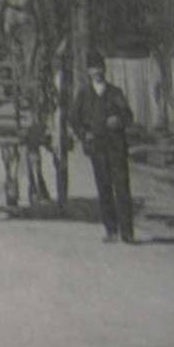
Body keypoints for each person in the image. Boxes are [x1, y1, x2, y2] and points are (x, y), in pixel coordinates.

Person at [70, 49, 136, 243]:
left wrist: (119, 120)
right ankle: (111, 230)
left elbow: (128, 116)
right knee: (104, 188)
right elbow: (74, 120)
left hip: (116, 147)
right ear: (89, 72)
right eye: (93, 68)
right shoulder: (84, 94)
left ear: (104, 69)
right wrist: (84, 134)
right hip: (97, 148)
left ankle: (127, 232)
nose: (97, 71)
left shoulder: (115, 93)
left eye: (99, 67)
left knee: (122, 188)